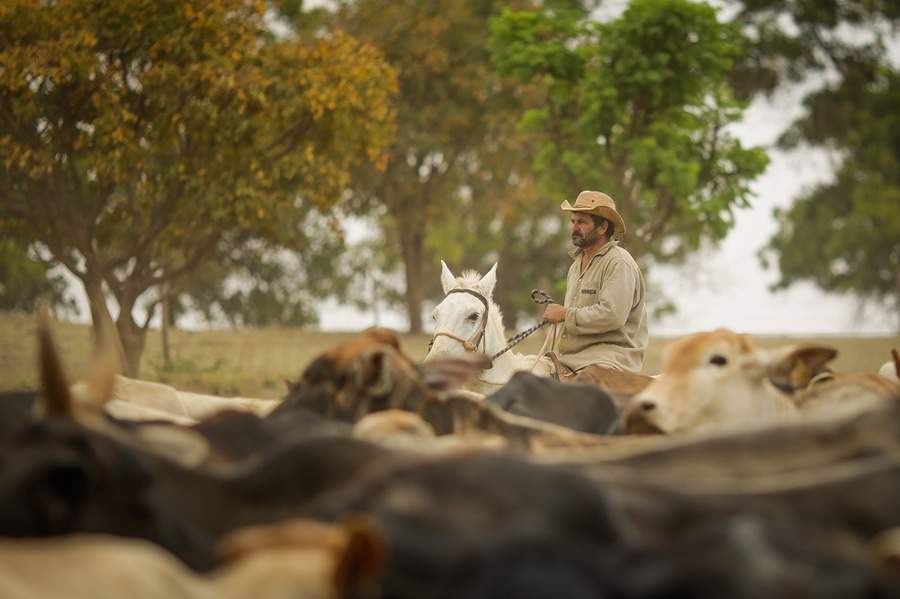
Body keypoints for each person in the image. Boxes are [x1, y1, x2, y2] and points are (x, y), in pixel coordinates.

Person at [541, 190, 648, 375]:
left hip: (609, 358)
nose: (574, 227)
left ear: (602, 228)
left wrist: (565, 314)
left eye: (582, 222)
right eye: (573, 221)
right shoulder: (576, 265)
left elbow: (612, 315)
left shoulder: (618, 262)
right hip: (572, 359)